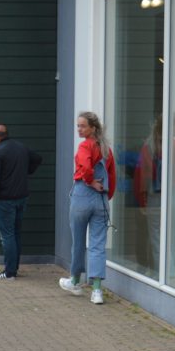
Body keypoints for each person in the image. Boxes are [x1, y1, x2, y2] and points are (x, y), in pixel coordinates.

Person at [59, 112, 116, 305]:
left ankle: (75, 281)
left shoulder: (85, 146)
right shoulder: (106, 149)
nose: (79, 129)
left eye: (83, 126)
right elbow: (112, 177)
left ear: (93, 128)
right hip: (101, 200)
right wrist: (105, 196)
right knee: (98, 245)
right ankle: (97, 291)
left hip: (82, 196)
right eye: (78, 126)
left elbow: (84, 166)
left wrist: (90, 182)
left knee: (78, 242)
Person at [0, 124, 42, 280]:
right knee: (15, 234)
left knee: (7, 236)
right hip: (21, 198)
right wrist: (27, 171)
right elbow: (38, 158)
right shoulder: (21, 147)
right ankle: (13, 269)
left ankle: (9, 272)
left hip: (4, 200)